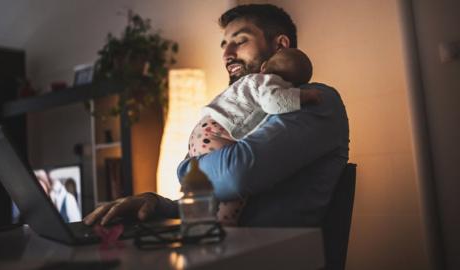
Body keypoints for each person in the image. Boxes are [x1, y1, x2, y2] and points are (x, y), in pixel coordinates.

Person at [84, 4, 349, 228]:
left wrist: (187, 170)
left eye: (240, 41)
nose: (226, 54)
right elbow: (218, 198)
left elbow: (236, 175)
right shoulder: (249, 112)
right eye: (224, 45)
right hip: (229, 251)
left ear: (280, 45)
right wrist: (157, 205)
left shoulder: (317, 101)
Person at [189, 48, 321, 225]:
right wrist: (303, 96)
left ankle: (200, 222)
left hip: (201, 132)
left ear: (264, 66)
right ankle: (226, 225)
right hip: (218, 133)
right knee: (235, 193)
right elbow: (274, 103)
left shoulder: (247, 82)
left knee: (206, 194)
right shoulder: (270, 82)